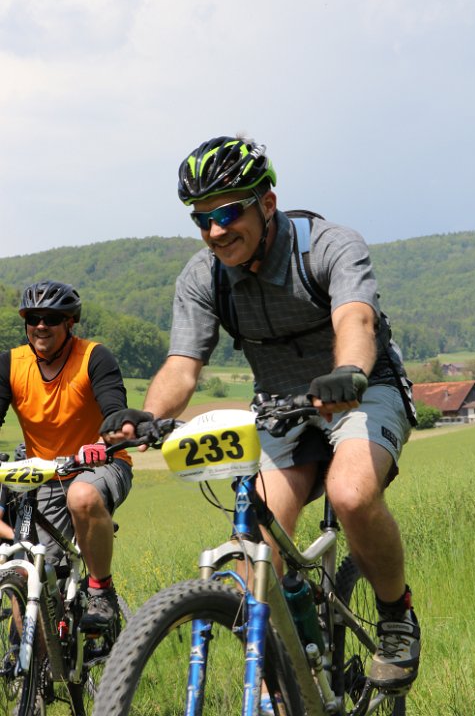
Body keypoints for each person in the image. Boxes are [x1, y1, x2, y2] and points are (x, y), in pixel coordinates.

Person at [101, 136, 420, 696]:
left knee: (350, 494)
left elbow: (356, 320)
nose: (215, 231)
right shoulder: (203, 276)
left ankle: (396, 616)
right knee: (255, 550)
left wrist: (348, 371)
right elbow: (183, 365)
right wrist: (145, 416)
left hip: (360, 387)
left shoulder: (328, 245)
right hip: (280, 405)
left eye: (227, 213)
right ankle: (283, 681)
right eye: (201, 219)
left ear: (267, 204)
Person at [0, 281, 133, 632]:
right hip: (44, 474)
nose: (41, 325)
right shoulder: (11, 363)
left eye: (52, 318)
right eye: (33, 318)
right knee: (33, 574)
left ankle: (101, 591)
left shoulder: (94, 357)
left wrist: (105, 441)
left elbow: (114, 411)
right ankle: (35, 662)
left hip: (101, 464)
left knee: (82, 495)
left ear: (70, 322)